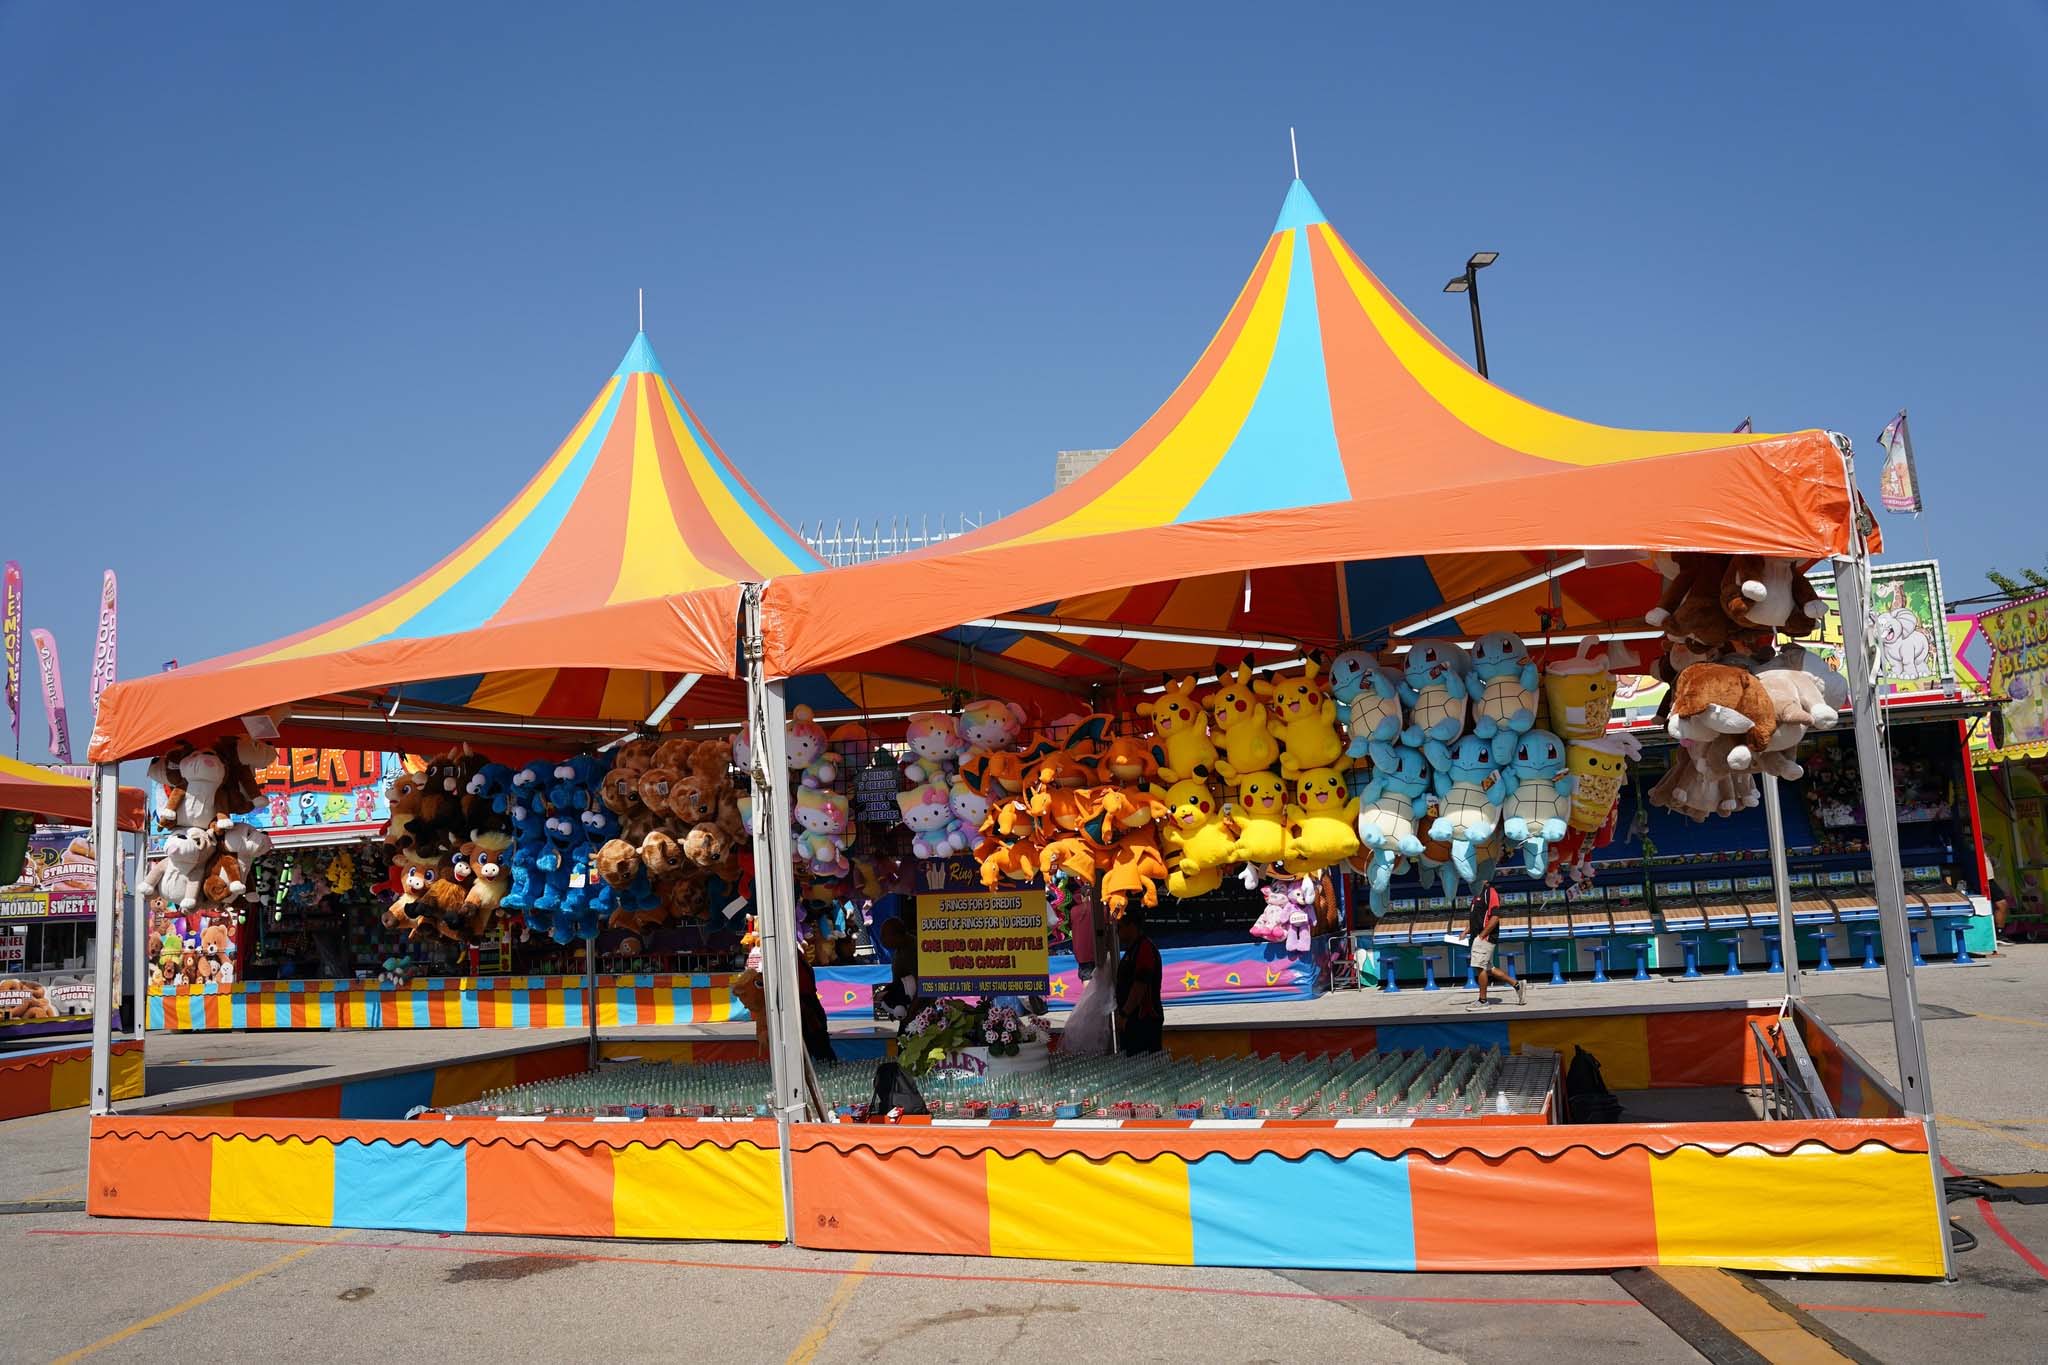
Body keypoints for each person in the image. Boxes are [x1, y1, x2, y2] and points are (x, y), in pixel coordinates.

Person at [1464, 882, 1525, 1009]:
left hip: (1484, 937)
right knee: (1488, 968)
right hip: (1477, 937)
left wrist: (1482, 935)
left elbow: (1495, 916)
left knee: (1479, 967)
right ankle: (1517, 985)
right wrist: (1466, 931)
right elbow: (1476, 917)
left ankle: (1483, 1001)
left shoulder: (1490, 891)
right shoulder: (1477, 893)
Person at [1113, 909, 1164, 1054]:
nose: (1117, 932)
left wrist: (1124, 1014)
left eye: (1120, 927)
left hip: (1143, 1019)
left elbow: (1140, 985)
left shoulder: (1144, 948)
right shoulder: (1133, 949)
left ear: (1132, 926)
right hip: (1133, 1019)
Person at [876, 914, 922, 1032]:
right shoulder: (898, 951)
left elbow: (923, 985)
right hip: (907, 1009)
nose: (881, 940)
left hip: (918, 1011)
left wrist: (911, 1013)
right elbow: (897, 982)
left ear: (896, 935)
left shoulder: (913, 950)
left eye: (884, 936)